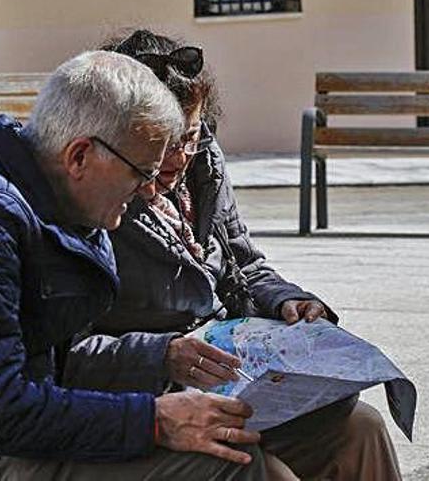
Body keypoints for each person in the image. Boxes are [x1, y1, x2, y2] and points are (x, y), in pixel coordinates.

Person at [0, 51, 282, 480]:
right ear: (80, 155)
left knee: (303, 434)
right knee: (229, 466)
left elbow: (53, 358)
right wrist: (154, 422)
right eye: (141, 173)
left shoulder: (47, 196)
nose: (149, 191)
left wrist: (162, 356)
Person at [63, 30, 403, 480]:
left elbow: (242, 261)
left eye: (190, 134)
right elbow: (64, 353)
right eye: (162, 143)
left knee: (363, 428)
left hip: (238, 380)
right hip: (159, 396)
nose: (178, 156)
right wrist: (162, 353)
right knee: (264, 471)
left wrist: (286, 301)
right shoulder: (99, 197)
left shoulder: (203, 164)